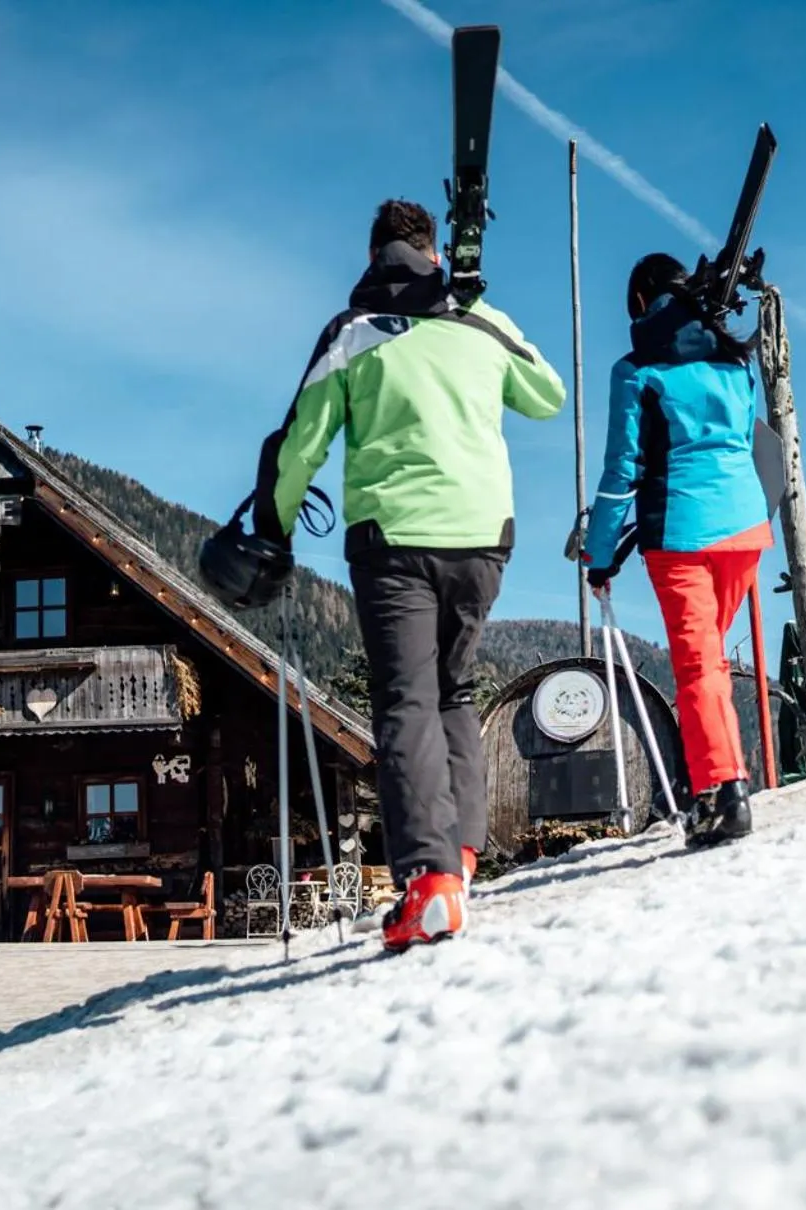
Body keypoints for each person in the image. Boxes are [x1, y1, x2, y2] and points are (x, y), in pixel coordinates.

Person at [254, 199, 565, 950]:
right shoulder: (477, 322)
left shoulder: (353, 332)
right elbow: (546, 395)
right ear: (432, 251)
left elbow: (303, 441)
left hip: (393, 538)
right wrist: (479, 304)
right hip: (484, 537)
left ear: (373, 254)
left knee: (406, 703)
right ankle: (455, 857)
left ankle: (428, 883)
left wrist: (274, 529)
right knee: (454, 691)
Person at [580, 252, 772, 847]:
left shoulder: (636, 371)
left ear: (640, 304)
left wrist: (599, 551)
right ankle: (705, 779)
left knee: (699, 666)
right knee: (709, 663)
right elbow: (745, 441)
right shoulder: (736, 365)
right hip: (746, 528)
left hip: (681, 533)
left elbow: (621, 470)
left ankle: (723, 792)